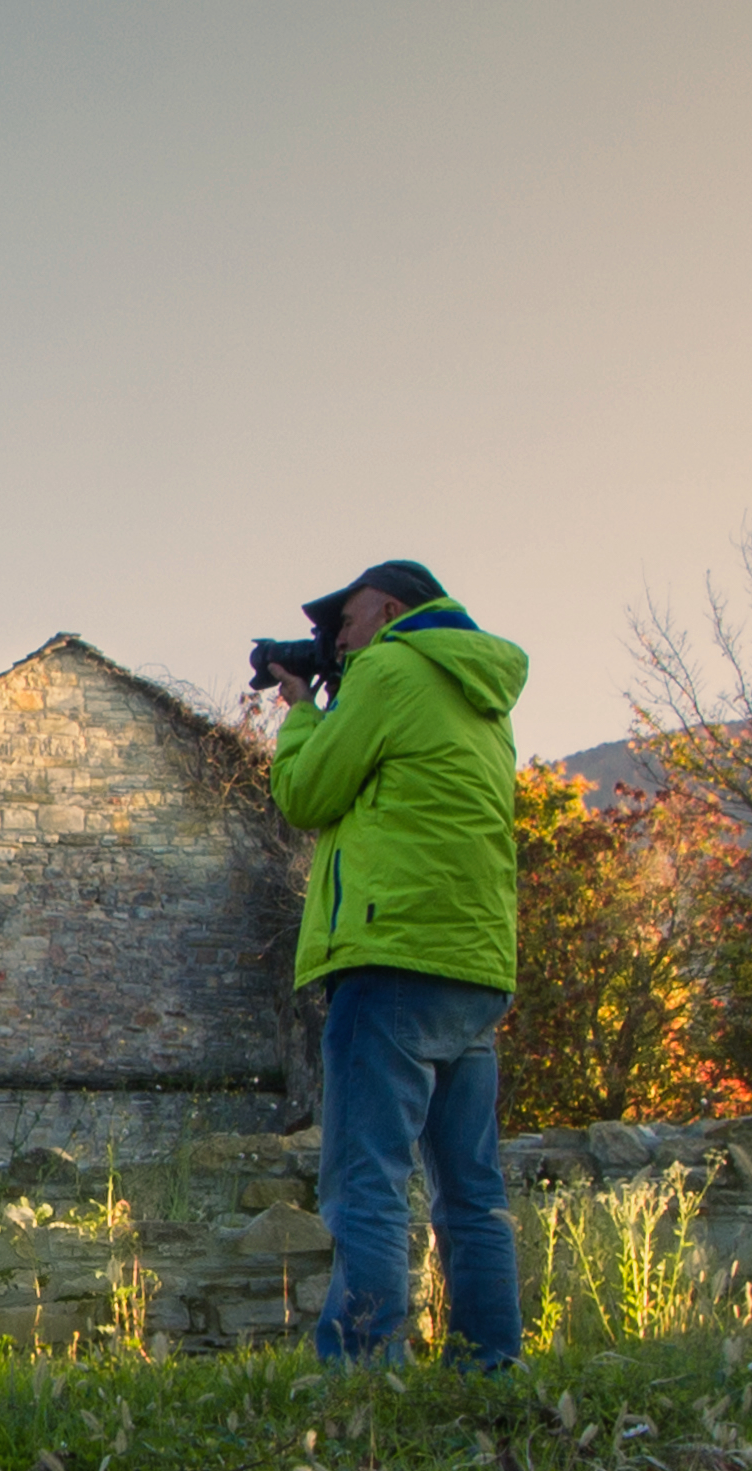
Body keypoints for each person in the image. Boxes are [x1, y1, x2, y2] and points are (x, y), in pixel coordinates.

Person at [260, 559, 530, 1368]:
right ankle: (490, 1366)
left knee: (366, 1181)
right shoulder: (482, 696)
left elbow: (307, 796)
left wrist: (301, 713)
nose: (337, 640)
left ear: (386, 609)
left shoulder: (389, 669)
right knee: (472, 1191)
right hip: (474, 965)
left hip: (391, 958)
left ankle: (366, 1372)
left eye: (344, 622)